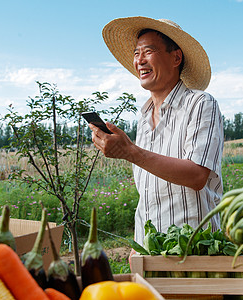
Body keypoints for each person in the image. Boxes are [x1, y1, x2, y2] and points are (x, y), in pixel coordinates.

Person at [90, 16, 224, 246]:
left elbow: (196, 175)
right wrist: (137, 243)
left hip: (194, 246)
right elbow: (147, 194)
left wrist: (130, 152)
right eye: (136, 53)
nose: (139, 60)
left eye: (148, 51)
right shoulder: (143, 118)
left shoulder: (201, 104)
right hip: (149, 249)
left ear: (176, 57)